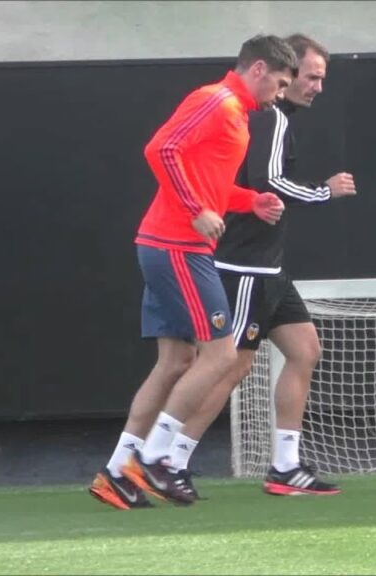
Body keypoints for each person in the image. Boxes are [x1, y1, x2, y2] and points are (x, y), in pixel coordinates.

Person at [88, 34, 298, 510]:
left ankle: (117, 472)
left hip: (167, 244)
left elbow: (211, 183)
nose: (280, 94)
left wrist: (249, 200)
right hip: (178, 246)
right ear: (259, 69)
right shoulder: (217, 101)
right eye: (280, 83)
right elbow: (160, 150)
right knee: (222, 355)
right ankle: (156, 457)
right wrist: (195, 209)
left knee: (176, 363)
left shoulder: (236, 114)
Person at [164, 33, 355, 497]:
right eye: (309, 77)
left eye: (319, 79)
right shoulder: (268, 118)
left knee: (305, 349)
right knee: (231, 366)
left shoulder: (274, 117)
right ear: (281, 75)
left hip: (268, 266)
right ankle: (169, 460)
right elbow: (269, 183)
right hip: (244, 264)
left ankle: (285, 466)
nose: (315, 87)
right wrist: (325, 191)